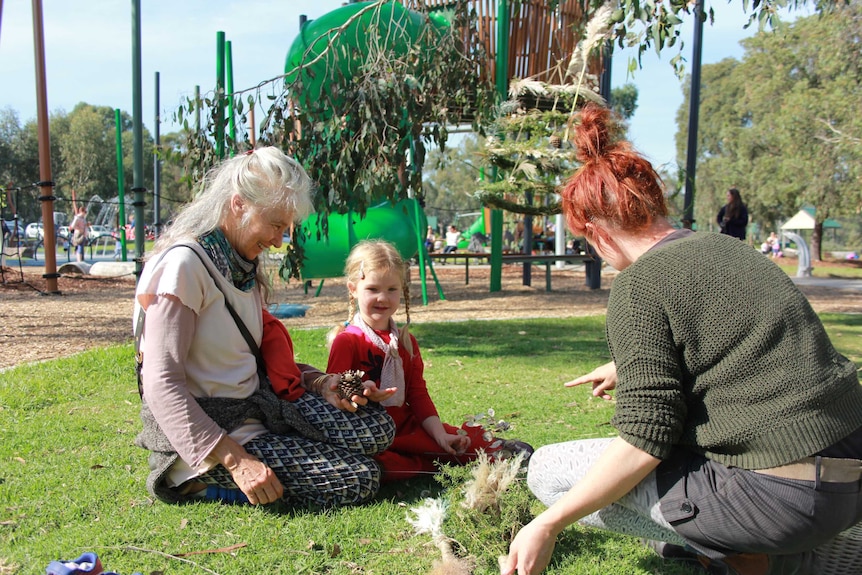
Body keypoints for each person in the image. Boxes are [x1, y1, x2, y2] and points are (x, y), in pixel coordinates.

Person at [501, 104, 862, 575]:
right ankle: (769, 547)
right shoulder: (727, 247)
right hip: (850, 474)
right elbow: (744, 341)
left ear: (594, 231)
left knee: (550, 471)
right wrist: (625, 367)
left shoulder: (639, 284)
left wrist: (547, 525)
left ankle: (776, 559)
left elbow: (645, 440)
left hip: (781, 501)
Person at [133, 147, 395, 508]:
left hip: (259, 407)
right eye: (274, 225)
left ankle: (285, 455)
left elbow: (250, 358)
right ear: (238, 204)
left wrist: (320, 383)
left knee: (376, 427)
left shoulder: (239, 263)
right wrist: (237, 461)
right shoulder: (184, 265)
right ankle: (194, 484)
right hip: (218, 434)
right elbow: (160, 384)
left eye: (283, 228)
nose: (277, 241)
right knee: (360, 479)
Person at [323, 239, 532, 482]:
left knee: (458, 443)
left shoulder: (406, 341)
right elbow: (334, 399)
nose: (383, 298)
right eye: (372, 289)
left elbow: (417, 395)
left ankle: (497, 448)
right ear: (353, 289)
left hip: (408, 428)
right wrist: (361, 392)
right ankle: (422, 461)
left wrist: (440, 435)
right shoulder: (347, 340)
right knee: (386, 465)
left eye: (392, 289)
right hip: (369, 433)